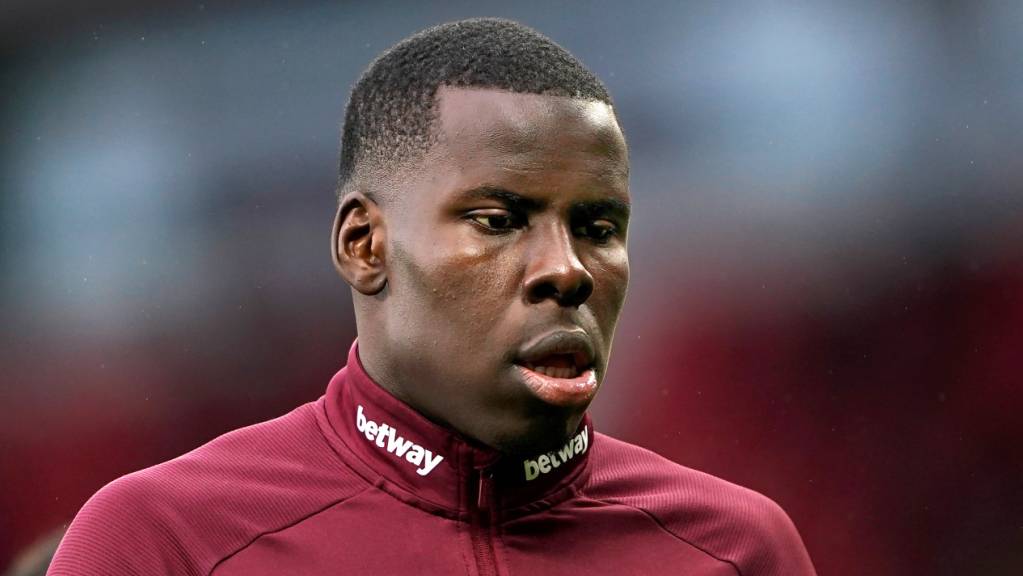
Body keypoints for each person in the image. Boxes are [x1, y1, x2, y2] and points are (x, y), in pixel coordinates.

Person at [48, 18, 816, 575]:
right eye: (498, 220)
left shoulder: (735, 547)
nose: (568, 269)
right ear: (364, 246)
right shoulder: (162, 542)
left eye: (597, 225)